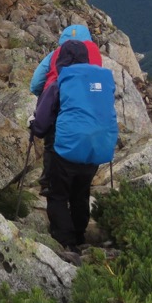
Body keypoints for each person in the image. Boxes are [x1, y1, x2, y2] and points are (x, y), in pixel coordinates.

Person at [30, 39, 114, 255]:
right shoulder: (102, 82)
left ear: (62, 60)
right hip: (96, 150)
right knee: (80, 192)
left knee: (57, 194)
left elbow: (41, 123)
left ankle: (66, 243)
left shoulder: (61, 83)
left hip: (66, 151)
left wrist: (34, 127)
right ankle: (79, 235)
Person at [29, 24, 102, 196]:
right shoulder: (95, 57)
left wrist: (45, 95)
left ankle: (48, 182)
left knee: (51, 145)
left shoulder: (55, 54)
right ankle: (80, 185)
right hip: (89, 116)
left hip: (58, 110)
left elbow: (35, 84)